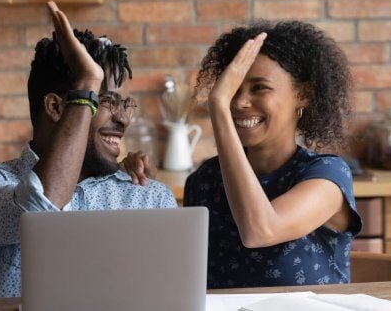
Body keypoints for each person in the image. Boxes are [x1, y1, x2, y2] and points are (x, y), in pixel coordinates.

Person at [0, 2, 177, 298]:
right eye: (105, 101)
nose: (124, 119)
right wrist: (86, 85)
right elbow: (43, 205)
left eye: (123, 104)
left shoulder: (149, 197)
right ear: (56, 107)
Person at [125, 20, 362, 288]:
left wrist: (218, 105)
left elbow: (260, 231)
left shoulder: (327, 177)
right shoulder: (205, 180)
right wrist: (147, 189)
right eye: (232, 90)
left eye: (259, 87)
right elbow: (177, 272)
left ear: (303, 94)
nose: (239, 102)